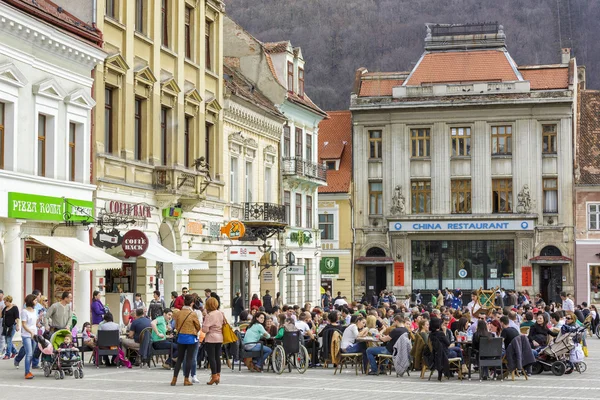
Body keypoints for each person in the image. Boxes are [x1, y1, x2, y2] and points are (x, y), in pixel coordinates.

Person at [171, 295, 200, 387]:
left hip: (181, 338)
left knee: (180, 359)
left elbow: (176, 326)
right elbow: (198, 326)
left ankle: (174, 379)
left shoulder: (178, 313)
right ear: (192, 303)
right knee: (189, 359)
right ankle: (186, 379)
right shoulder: (193, 314)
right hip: (191, 338)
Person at [201, 297, 223, 385]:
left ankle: (214, 376)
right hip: (219, 337)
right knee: (217, 357)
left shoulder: (209, 315)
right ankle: (218, 375)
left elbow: (205, 329)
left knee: (212, 357)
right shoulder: (220, 313)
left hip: (211, 338)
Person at [20, 294, 38, 379]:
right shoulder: (24, 311)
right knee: (29, 353)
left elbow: (34, 323)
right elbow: (24, 324)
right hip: (26, 334)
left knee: (32, 353)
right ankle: (27, 372)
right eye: (35, 300)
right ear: (31, 301)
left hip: (34, 334)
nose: (36, 301)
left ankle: (29, 370)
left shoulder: (34, 311)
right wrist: (30, 332)